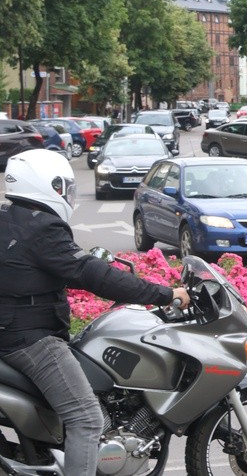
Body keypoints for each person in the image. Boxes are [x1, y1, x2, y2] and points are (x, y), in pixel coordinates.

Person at [0, 149, 190, 476]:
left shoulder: (8, 217)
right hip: (29, 340)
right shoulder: (43, 228)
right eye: (64, 187)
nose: (67, 195)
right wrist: (164, 293)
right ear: (48, 185)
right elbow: (93, 275)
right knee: (86, 418)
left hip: (11, 331)